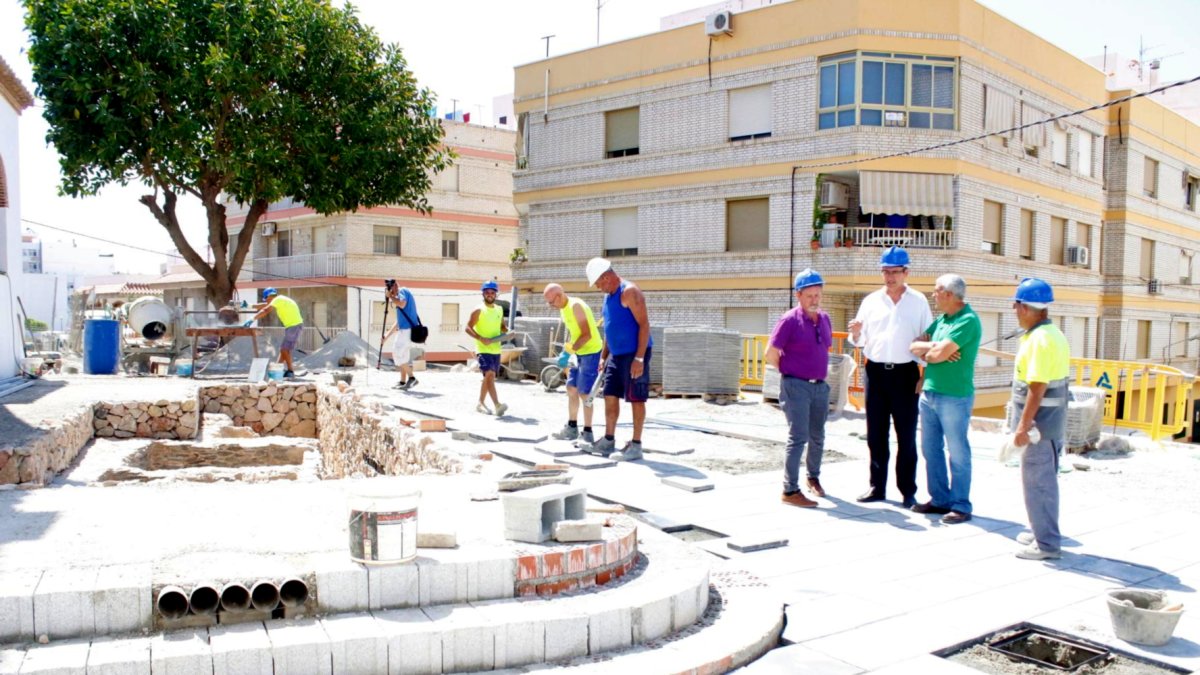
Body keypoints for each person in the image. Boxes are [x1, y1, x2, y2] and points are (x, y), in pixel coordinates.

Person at [848, 246, 933, 508]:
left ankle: (908, 490)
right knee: (876, 433)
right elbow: (858, 341)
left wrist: (923, 375)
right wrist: (856, 332)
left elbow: (927, 339)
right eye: (885, 272)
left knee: (906, 435)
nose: (890, 277)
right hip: (875, 372)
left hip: (906, 373)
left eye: (895, 272)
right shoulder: (871, 301)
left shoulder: (918, 301)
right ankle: (877, 486)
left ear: (906, 272)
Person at [908, 274, 982, 524]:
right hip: (929, 392)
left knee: (958, 451)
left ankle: (961, 504)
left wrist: (934, 351)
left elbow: (935, 355)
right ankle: (939, 499)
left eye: (936, 290)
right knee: (931, 449)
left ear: (949, 294)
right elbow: (913, 347)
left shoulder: (968, 320)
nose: (933, 294)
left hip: (955, 396)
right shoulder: (941, 320)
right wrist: (937, 347)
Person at [1009, 278, 1070, 560]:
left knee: (1039, 483)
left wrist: (1023, 426)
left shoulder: (1040, 340)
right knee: (1040, 480)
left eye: (1016, 307)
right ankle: (1040, 529)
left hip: (1040, 428)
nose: (1015, 311)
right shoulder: (1050, 334)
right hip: (1049, 425)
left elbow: (1037, 386)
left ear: (1023, 307)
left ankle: (1046, 544)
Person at [765, 269, 832, 508]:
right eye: (809, 296)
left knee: (818, 436)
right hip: (797, 386)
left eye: (817, 295)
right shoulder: (789, 320)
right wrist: (789, 372)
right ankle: (790, 490)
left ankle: (813, 477)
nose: (814, 300)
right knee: (798, 437)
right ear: (798, 295)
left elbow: (823, 348)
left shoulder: (824, 319)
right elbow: (770, 354)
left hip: (819, 387)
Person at [581, 258, 651, 461]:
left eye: (599, 283)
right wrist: (603, 357)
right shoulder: (608, 297)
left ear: (607, 277)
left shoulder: (629, 292)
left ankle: (635, 445)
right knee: (610, 395)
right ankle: (608, 440)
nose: (598, 288)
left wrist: (639, 358)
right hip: (615, 355)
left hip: (635, 354)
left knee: (636, 398)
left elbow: (645, 325)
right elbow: (609, 330)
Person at [543, 283, 604, 446]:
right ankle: (571, 427)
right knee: (571, 388)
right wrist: (570, 349)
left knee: (585, 393)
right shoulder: (564, 309)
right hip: (578, 352)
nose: (551, 305)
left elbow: (586, 335)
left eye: (551, 302)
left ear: (560, 295)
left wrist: (569, 351)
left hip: (591, 352)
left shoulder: (576, 306)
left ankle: (588, 433)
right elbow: (575, 333)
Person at [465, 280, 508, 416]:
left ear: (496, 294)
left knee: (489, 378)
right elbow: (467, 328)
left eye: (492, 292)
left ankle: (480, 403)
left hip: (496, 348)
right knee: (489, 374)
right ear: (483, 293)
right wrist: (480, 338)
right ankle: (497, 405)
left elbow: (501, 326)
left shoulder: (499, 309)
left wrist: (507, 330)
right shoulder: (478, 310)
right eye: (487, 292)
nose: (490, 294)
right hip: (483, 348)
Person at [245, 287, 303, 377]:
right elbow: (265, 305)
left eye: (266, 299)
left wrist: (252, 319)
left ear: (268, 296)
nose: (267, 301)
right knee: (284, 349)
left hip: (293, 326)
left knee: (284, 349)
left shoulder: (278, 300)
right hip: (293, 326)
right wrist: (249, 306)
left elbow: (265, 309)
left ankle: (290, 371)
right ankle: (278, 369)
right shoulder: (279, 299)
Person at [383, 283, 420, 390]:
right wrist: (386, 336)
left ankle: (412, 378)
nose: (392, 294)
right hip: (406, 331)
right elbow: (399, 322)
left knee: (396, 354)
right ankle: (403, 381)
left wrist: (390, 297)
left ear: (394, 286)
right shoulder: (401, 296)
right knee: (403, 357)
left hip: (406, 331)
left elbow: (402, 304)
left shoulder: (402, 291)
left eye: (392, 290)